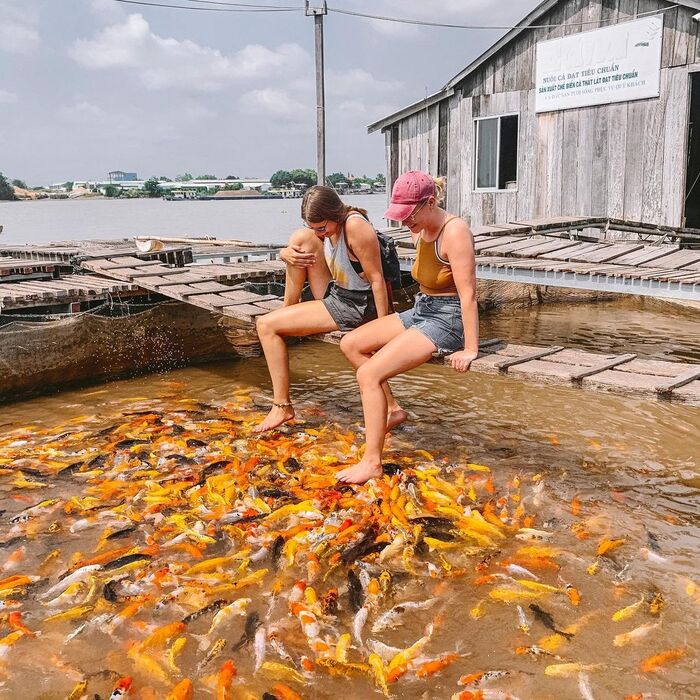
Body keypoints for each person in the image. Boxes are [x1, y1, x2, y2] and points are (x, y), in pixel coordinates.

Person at [336, 171, 479, 483]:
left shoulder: (455, 232)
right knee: (351, 344)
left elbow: (468, 294)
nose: (404, 223)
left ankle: (372, 462)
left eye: (408, 216)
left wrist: (470, 348)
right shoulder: (420, 230)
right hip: (423, 308)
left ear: (429, 203)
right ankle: (392, 410)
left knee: (369, 373)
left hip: (448, 319)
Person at [253, 185, 400, 432]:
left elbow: (377, 280)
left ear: (336, 213)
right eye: (315, 228)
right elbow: (310, 238)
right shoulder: (325, 228)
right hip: (338, 292)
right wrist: (284, 253)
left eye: (322, 228)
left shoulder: (355, 226)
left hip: (358, 305)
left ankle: (282, 406)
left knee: (265, 325)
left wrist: (382, 329)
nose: (319, 232)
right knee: (299, 240)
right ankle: (288, 312)